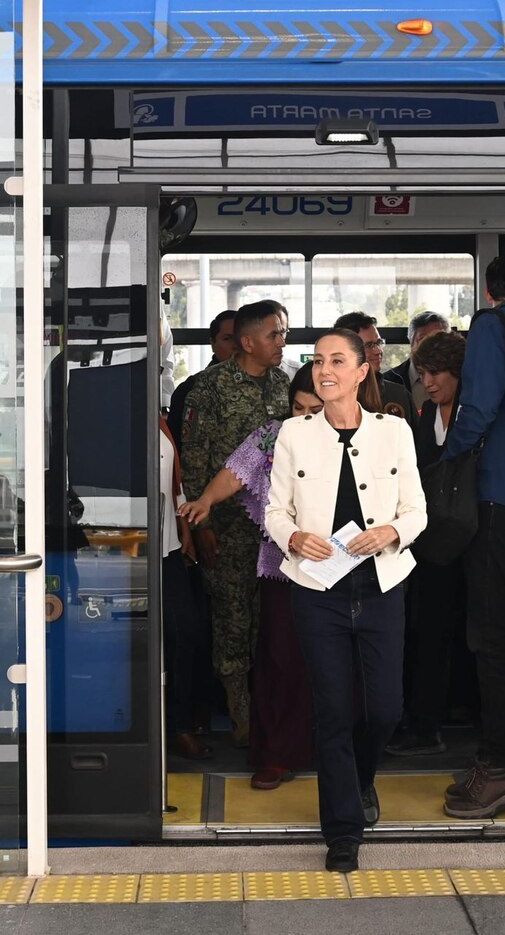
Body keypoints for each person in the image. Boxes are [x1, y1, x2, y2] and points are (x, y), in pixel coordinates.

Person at [264, 329, 427, 873]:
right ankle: (342, 833)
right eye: (316, 362)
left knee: (385, 708)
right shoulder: (293, 433)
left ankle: (361, 780)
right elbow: (274, 512)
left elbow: (417, 511)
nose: (323, 370)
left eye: (337, 361)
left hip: (381, 585)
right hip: (318, 590)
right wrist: (292, 538)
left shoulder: (395, 431)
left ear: (363, 371)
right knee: (332, 711)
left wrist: (390, 533)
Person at [178, 364, 319, 790]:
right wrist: (204, 501)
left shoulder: (358, 435)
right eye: (297, 407)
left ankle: (335, 750)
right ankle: (275, 753)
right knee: (278, 658)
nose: (304, 417)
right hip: (282, 566)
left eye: (314, 409)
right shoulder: (275, 433)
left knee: (331, 665)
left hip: (342, 570)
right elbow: (237, 470)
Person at [441, 251, 505, 819]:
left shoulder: (492, 324)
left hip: (499, 497)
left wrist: (446, 463)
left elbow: (476, 409)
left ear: (488, 289)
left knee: (492, 630)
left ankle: (503, 764)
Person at [181, 300, 290, 747]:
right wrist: (200, 526)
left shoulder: (285, 385)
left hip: (277, 529)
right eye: (274, 334)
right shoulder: (209, 388)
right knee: (232, 618)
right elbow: (195, 459)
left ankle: (268, 709)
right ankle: (240, 714)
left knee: (270, 620)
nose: (282, 342)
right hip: (224, 524)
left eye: (284, 333)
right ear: (247, 342)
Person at [385, 330, 472, 758]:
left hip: (466, 540)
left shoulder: (471, 416)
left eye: (437, 373)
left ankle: (437, 717)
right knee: (429, 632)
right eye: (423, 373)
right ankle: (425, 721)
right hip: (430, 542)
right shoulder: (425, 415)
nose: (430, 382)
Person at [160, 415, 213, 761]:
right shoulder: (114, 411)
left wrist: (184, 531)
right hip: (134, 546)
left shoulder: (159, 422)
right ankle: (170, 727)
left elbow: (173, 482)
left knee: (187, 633)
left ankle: (179, 724)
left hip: (169, 546)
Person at [167, 309, 237, 454]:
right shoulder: (191, 389)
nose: (235, 345)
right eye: (227, 338)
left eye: (240, 338)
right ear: (213, 343)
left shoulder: (271, 384)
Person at [333, 312, 418, 429]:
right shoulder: (329, 395)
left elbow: (415, 444)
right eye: (368, 345)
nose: (378, 351)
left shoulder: (398, 395)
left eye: (378, 343)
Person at [383, 311, 451, 411]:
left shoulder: (460, 378)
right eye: (423, 339)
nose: (431, 346)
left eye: (438, 339)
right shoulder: (388, 381)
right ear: (411, 342)